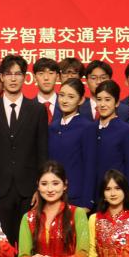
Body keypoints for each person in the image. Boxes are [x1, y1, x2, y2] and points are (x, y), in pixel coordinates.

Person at [0, 55, 48, 244]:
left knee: (29, 242)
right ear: (2, 77)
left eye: (18, 74)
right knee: (2, 244)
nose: (13, 78)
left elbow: (42, 152)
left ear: (25, 77)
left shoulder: (37, 110)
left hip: (29, 190)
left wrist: (40, 188)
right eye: (9, 74)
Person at [48, 78, 98, 209]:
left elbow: (90, 166)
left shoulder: (87, 127)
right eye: (62, 95)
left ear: (81, 100)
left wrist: (87, 201)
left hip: (76, 196)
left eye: (71, 97)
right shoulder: (53, 127)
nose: (64, 100)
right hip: (52, 194)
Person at [91, 79, 129, 207]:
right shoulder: (90, 129)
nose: (102, 104)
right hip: (93, 196)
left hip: (117, 195)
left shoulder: (126, 130)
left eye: (107, 100)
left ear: (117, 103)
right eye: (99, 99)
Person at [33, 57, 60, 123]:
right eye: (41, 73)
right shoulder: (27, 107)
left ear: (57, 77)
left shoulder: (66, 104)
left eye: (51, 73)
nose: (46, 78)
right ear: (34, 78)